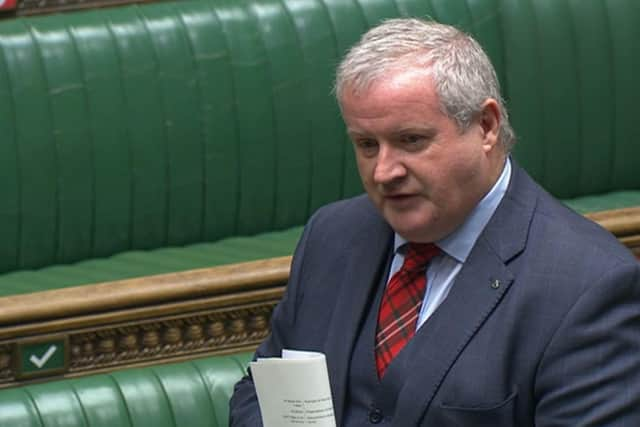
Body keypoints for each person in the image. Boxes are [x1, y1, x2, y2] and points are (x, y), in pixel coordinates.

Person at [230, 18, 640, 426]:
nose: (383, 172)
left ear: (486, 127)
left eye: (411, 140)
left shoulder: (589, 287)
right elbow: (261, 395)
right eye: (367, 145)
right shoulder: (333, 236)